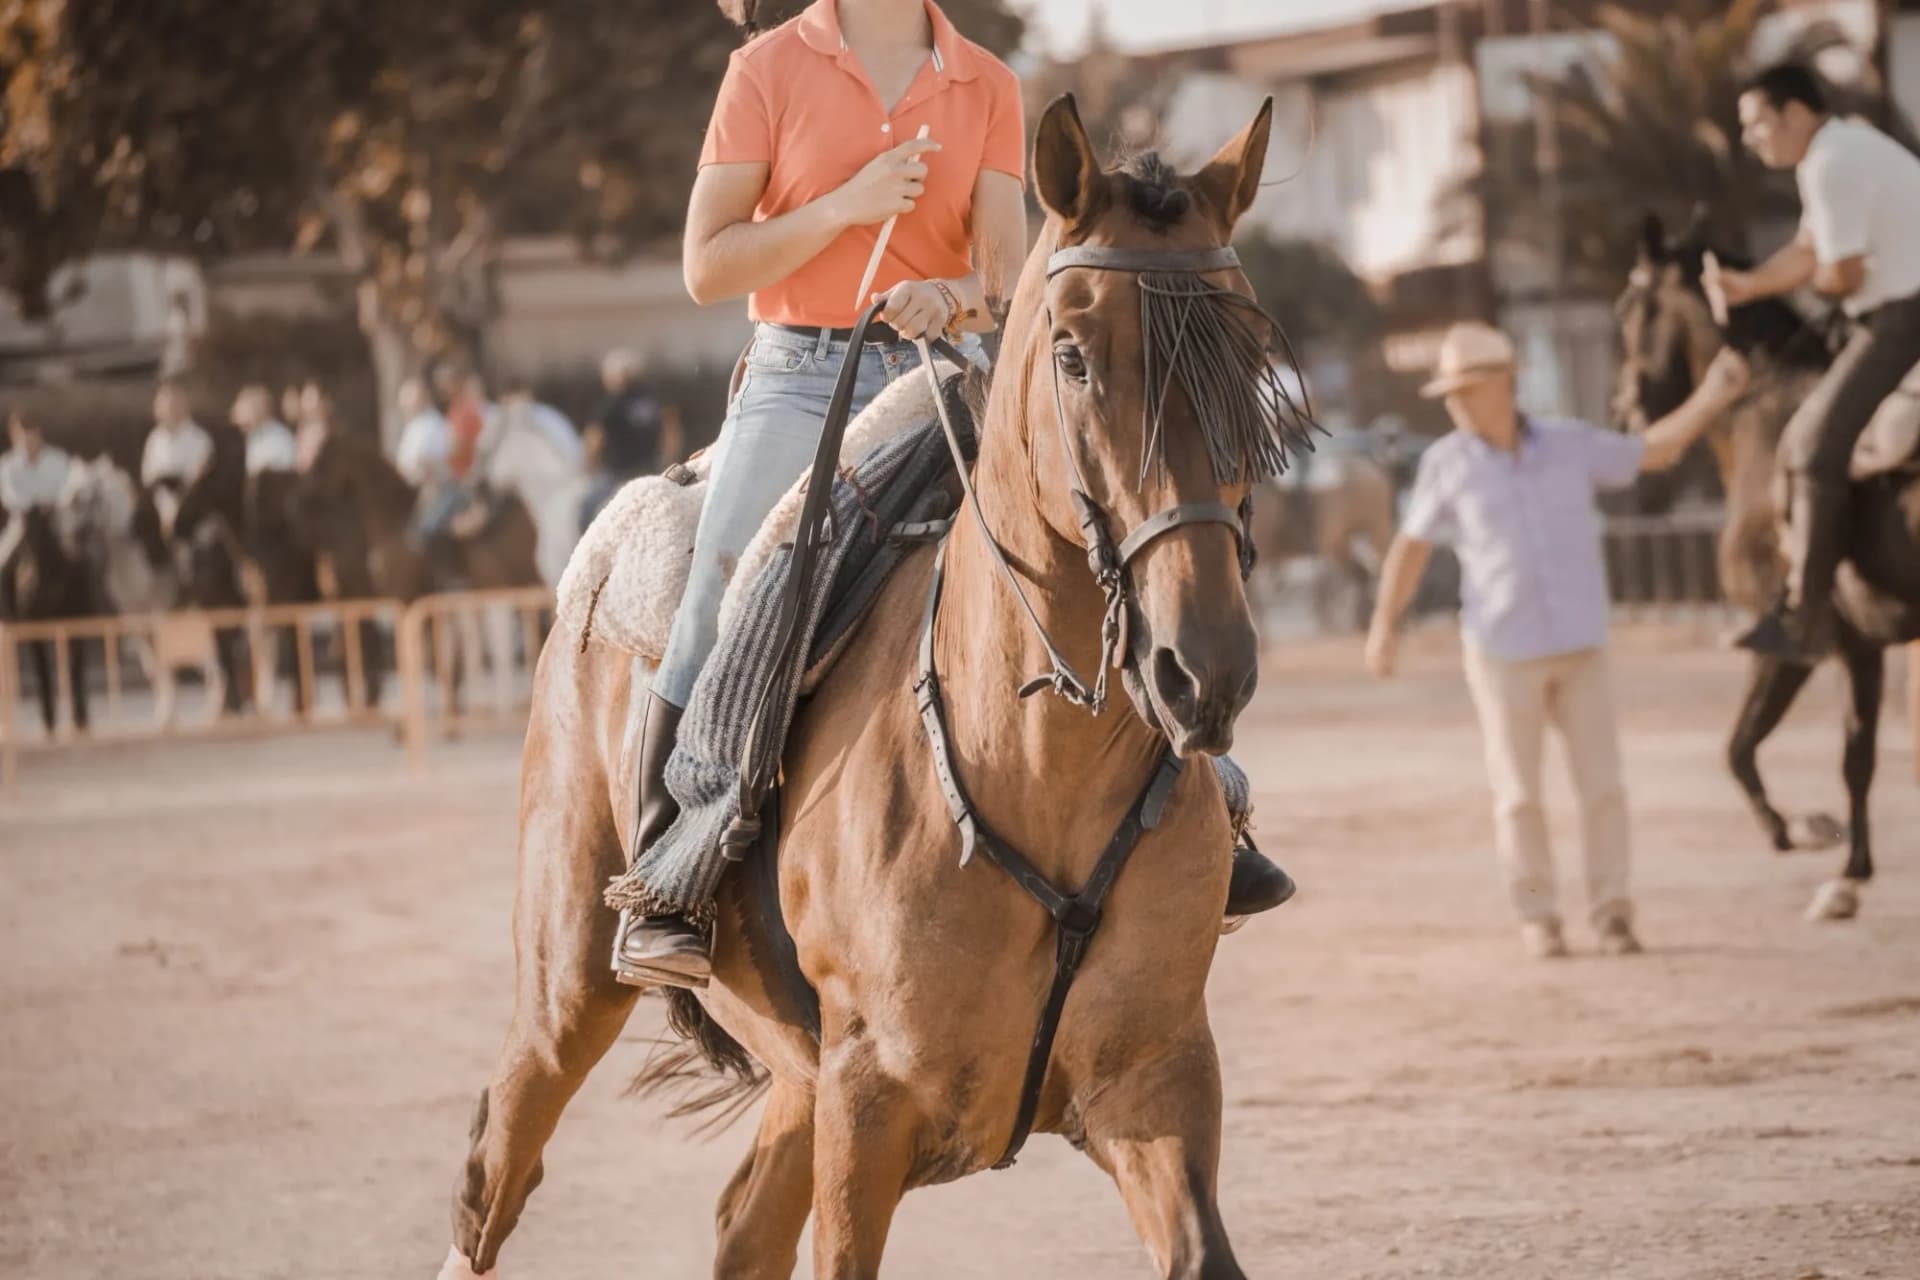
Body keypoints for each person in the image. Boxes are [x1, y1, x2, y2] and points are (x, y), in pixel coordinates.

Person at [612, 0, 1035, 984]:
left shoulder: (989, 83)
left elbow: (1003, 271)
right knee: (717, 585)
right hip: (800, 374)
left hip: (938, 365)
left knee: (1074, 535)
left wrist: (955, 294)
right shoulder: (765, 68)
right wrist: (846, 206)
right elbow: (706, 267)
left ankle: (1198, 810)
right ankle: (663, 884)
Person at [1364, 322, 1751, 958]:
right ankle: (1538, 915)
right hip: (1500, 650)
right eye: (1450, 392)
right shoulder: (1446, 464)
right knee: (1518, 793)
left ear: (1506, 384)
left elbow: (1650, 451)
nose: (1456, 402)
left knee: (1604, 786)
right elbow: (1410, 549)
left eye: (1468, 388)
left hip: (1580, 643)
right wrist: (1385, 626)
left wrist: (1712, 396)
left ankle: (1613, 912)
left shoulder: (1571, 445)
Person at [1708, 64, 1920, 661]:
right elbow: (1808, 249)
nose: (1750, 138)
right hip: (1899, 310)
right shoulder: (1842, 148)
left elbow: (1839, 272)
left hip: (1904, 319)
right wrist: (1749, 285)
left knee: (1806, 444)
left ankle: (1805, 614)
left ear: (1794, 114)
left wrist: (1830, 277)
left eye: (1756, 124)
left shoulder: (1828, 164)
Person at [578, 349, 670, 530]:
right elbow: (670, 432)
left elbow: (594, 437)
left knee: (587, 507)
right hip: (650, 470)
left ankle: (584, 552)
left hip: (617, 474)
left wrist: (589, 464)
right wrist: (663, 459)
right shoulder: (651, 400)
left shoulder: (611, 403)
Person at [0, 410, 73, 589]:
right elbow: (10, 497)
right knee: (2, 565)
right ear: (14, 435)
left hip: (58, 522)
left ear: (39, 433)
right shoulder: (7, 465)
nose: (28, 439)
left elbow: (69, 488)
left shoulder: (58, 459)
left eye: (32, 433)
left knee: (85, 559)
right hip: (23, 525)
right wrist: (37, 504)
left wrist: (54, 504)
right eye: (23, 434)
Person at [140, 380, 214, 494]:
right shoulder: (154, 438)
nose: (166, 408)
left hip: (191, 506)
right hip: (158, 507)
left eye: (171, 402)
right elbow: (147, 478)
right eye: (161, 402)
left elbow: (195, 479)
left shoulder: (200, 438)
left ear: (183, 404)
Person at [229, 385, 298, 475]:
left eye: (242, 408)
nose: (235, 413)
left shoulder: (279, 438)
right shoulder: (252, 436)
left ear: (258, 408)